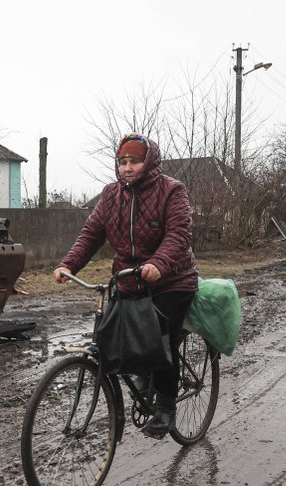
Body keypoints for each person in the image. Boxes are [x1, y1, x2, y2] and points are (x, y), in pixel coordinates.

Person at [53, 133, 198, 438]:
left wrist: (158, 264)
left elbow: (179, 234)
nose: (128, 167)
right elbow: (91, 233)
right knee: (119, 335)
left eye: (135, 161)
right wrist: (69, 264)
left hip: (172, 280)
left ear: (149, 162)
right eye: (123, 162)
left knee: (160, 338)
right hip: (129, 279)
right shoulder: (110, 195)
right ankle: (145, 372)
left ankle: (166, 408)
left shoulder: (172, 190)